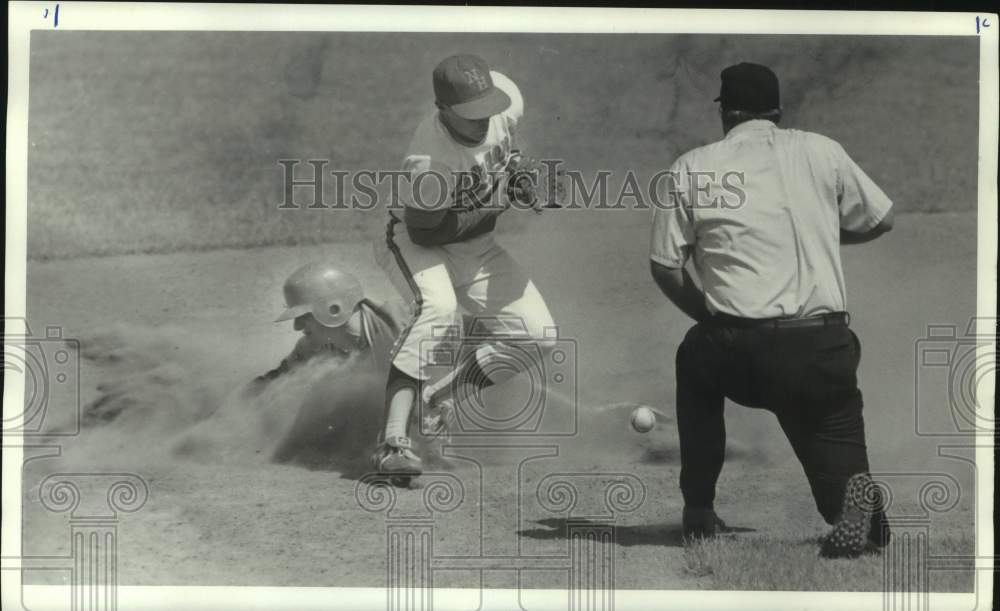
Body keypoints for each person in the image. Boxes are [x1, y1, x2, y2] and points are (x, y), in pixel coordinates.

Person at [649, 62, 894, 558]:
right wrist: (825, 233)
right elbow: (883, 219)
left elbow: (665, 267)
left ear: (727, 113)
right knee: (832, 421)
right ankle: (858, 521)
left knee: (694, 359)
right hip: (821, 347)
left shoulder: (692, 166)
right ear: (777, 111)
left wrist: (711, 318)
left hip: (737, 353)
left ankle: (698, 510)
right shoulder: (822, 150)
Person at [371, 53, 557, 477]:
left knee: (537, 335)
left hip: (474, 246)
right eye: (469, 115)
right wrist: (501, 201)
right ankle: (391, 442)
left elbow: (507, 151)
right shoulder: (429, 161)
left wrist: (522, 177)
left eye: (486, 109)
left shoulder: (506, 100)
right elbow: (425, 233)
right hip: (417, 241)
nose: (481, 120)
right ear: (442, 110)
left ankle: (439, 396)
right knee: (438, 310)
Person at [255, 262, 409, 385]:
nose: (297, 327)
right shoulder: (311, 347)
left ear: (333, 310)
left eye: (303, 316)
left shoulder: (402, 325)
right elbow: (273, 380)